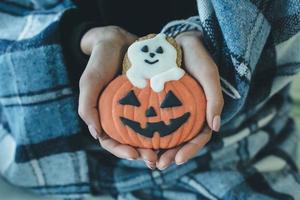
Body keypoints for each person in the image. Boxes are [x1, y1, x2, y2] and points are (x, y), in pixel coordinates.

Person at [0, 0, 299, 199]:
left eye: (166, 105)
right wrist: (80, 40)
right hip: (62, 141)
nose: (154, 115)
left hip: (242, 141)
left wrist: (201, 39)